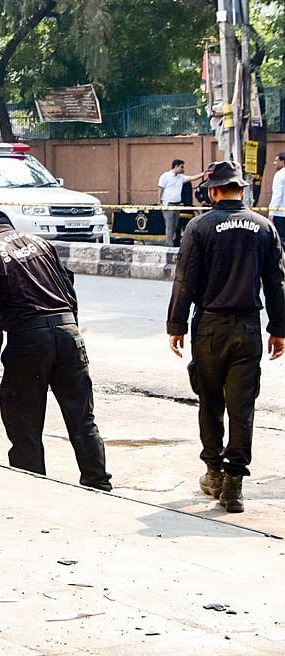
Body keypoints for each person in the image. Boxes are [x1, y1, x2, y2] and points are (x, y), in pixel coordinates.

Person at [0, 211, 112, 491]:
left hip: (28, 341)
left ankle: (34, 487)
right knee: (82, 418)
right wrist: (72, 333)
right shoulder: (39, 241)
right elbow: (69, 291)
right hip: (68, 333)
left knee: (23, 423)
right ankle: (99, 484)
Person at [167, 161, 285, 513]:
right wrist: (278, 329)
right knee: (242, 408)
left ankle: (214, 472)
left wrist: (176, 325)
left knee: (210, 402)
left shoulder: (200, 226)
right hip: (247, 329)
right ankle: (234, 485)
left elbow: (185, 279)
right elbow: (276, 283)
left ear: (213, 191)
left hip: (210, 328)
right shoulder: (264, 228)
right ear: (242, 190)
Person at [158, 159, 205, 247]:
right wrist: (159, 202)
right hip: (168, 204)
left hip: (177, 204)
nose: (183, 169)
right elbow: (160, 188)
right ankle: (169, 244)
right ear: (176, 166)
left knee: (175, 224)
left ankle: (172, 242)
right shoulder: (165, 176)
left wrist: (202, 174)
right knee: (169, 225)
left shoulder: (181, 177)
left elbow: (191, 178)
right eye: (181, 167)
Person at [270, 152, 285, 242]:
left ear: (282, 162)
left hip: (280, 214)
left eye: (276, 160)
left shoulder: (279, 175)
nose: (274, 163)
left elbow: (277, 195)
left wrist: (272, 213)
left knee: (281, 239)